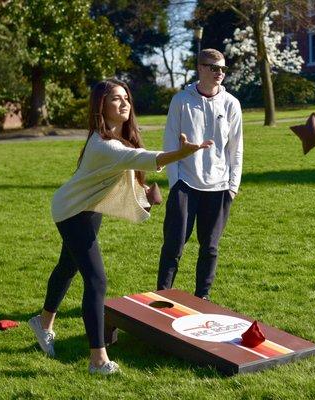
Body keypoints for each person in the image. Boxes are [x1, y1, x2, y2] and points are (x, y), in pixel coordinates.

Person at [28, 78, 213, 375]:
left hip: (90, 207)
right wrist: (182, 153)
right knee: (97, 280)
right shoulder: (103, 145)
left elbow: (126, 171)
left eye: (126, 97)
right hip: (71, 210)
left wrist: (145, 196)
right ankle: (98, 360)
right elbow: (143, 158)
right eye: (116, 98)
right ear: (101, 106)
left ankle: (43, 323)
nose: (124, 103)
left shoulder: (118, 139)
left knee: (68, 266)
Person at [157, 48, 243, 300]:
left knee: (210, 247)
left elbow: (236, 149)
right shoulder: (181, 100)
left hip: (219, 188)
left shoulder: (231, 104)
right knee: (174, 244)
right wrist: (175, 183)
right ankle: (162, 296)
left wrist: (232, 187)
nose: (220, 73)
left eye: (223, 69)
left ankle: (202, 298)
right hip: (185, 183)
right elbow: (170, 143)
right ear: (201, 69)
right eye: (214, 67)